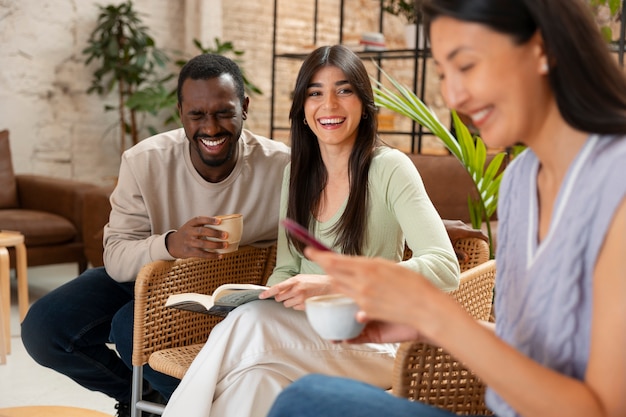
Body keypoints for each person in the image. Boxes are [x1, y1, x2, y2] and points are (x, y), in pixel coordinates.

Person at [267, 0, 626, 416]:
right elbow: (526, 346)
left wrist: (439, 319)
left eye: (467, 65)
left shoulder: (615, 183)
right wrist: (426, 327)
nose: (453, 95)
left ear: (542, 49)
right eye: (443, 73)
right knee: (300, 396)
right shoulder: (521, 182)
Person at [161, 44, 461, 417]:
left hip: (381, 338)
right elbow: (287, 268)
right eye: (315, 93)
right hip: (310, 334)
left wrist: (334, 284)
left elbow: (445, 269)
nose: (329, 105)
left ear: (364, 104)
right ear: (303, 109)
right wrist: (270, 293)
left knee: (249, 324)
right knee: (254, 379)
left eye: (344, 90)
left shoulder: (389, 168)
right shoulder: (297, 175)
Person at [20, 53, 291, 417]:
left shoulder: (282, 166)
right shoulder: (144, 160)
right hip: (153, 275)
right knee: (44, 329)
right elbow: (115, 255)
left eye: (223, 112)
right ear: (180, 112)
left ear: (244, 107)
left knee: (129, 326)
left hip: (230, 287)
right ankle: (144, 399)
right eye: (197, 114)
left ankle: (189, 405)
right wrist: (170, 244)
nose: (210, 128)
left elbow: (304, 241)